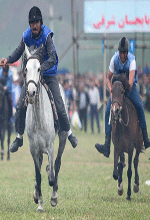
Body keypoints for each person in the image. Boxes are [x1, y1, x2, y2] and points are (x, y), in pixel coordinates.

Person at [0, 6, 78, 153]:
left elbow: (53, 57)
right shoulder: (26, 36)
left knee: (60, 105)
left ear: (41, 23)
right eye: (32, 23)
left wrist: (40, 68)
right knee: (20, 106)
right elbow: (18, 51)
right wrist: (8, 60)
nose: (34, 25)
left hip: (48, 74)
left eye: (37, 22)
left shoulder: (47, 35)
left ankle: (69, 133)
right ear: (29, 25)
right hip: (32, 77)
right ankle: (19, 136)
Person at [95, 37, 150, 158]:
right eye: (120, 52)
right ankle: (107, 145)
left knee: (140, 107)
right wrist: (111, 89)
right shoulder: (114, 59)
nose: (122, 55)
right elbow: (108, 78)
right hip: (116, 90)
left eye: (124, 53)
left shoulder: (132, 61)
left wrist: (123, 90)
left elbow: (130, 81)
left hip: (130, 89)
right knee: (107, 111)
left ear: (127, 52)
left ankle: (146, 140)